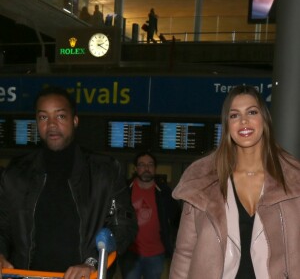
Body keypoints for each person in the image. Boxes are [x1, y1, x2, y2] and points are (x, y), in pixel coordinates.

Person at [0, 86, 137, 279]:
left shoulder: (104, 171)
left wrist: (91, 262)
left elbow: (123, 224)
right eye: (43, 117)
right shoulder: (16, 173)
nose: (52, 125)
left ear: (75, 120)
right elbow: (2, 224)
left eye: (60, 116)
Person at [170, 85, 300, 279]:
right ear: (227, 124)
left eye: (252, 112)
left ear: (264, 119)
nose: (244, 121)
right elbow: (184, 252)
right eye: (234, 115)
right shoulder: (202, 180)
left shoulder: (293, 180)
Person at [118, 151, 180, 279]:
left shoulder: (164, 192)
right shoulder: (124, 189)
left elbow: (177, 219)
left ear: (155, 168)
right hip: (130, 253)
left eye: (150, 165)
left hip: (156, 254)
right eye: (142, 165)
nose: (146, 168)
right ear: (135, 168)